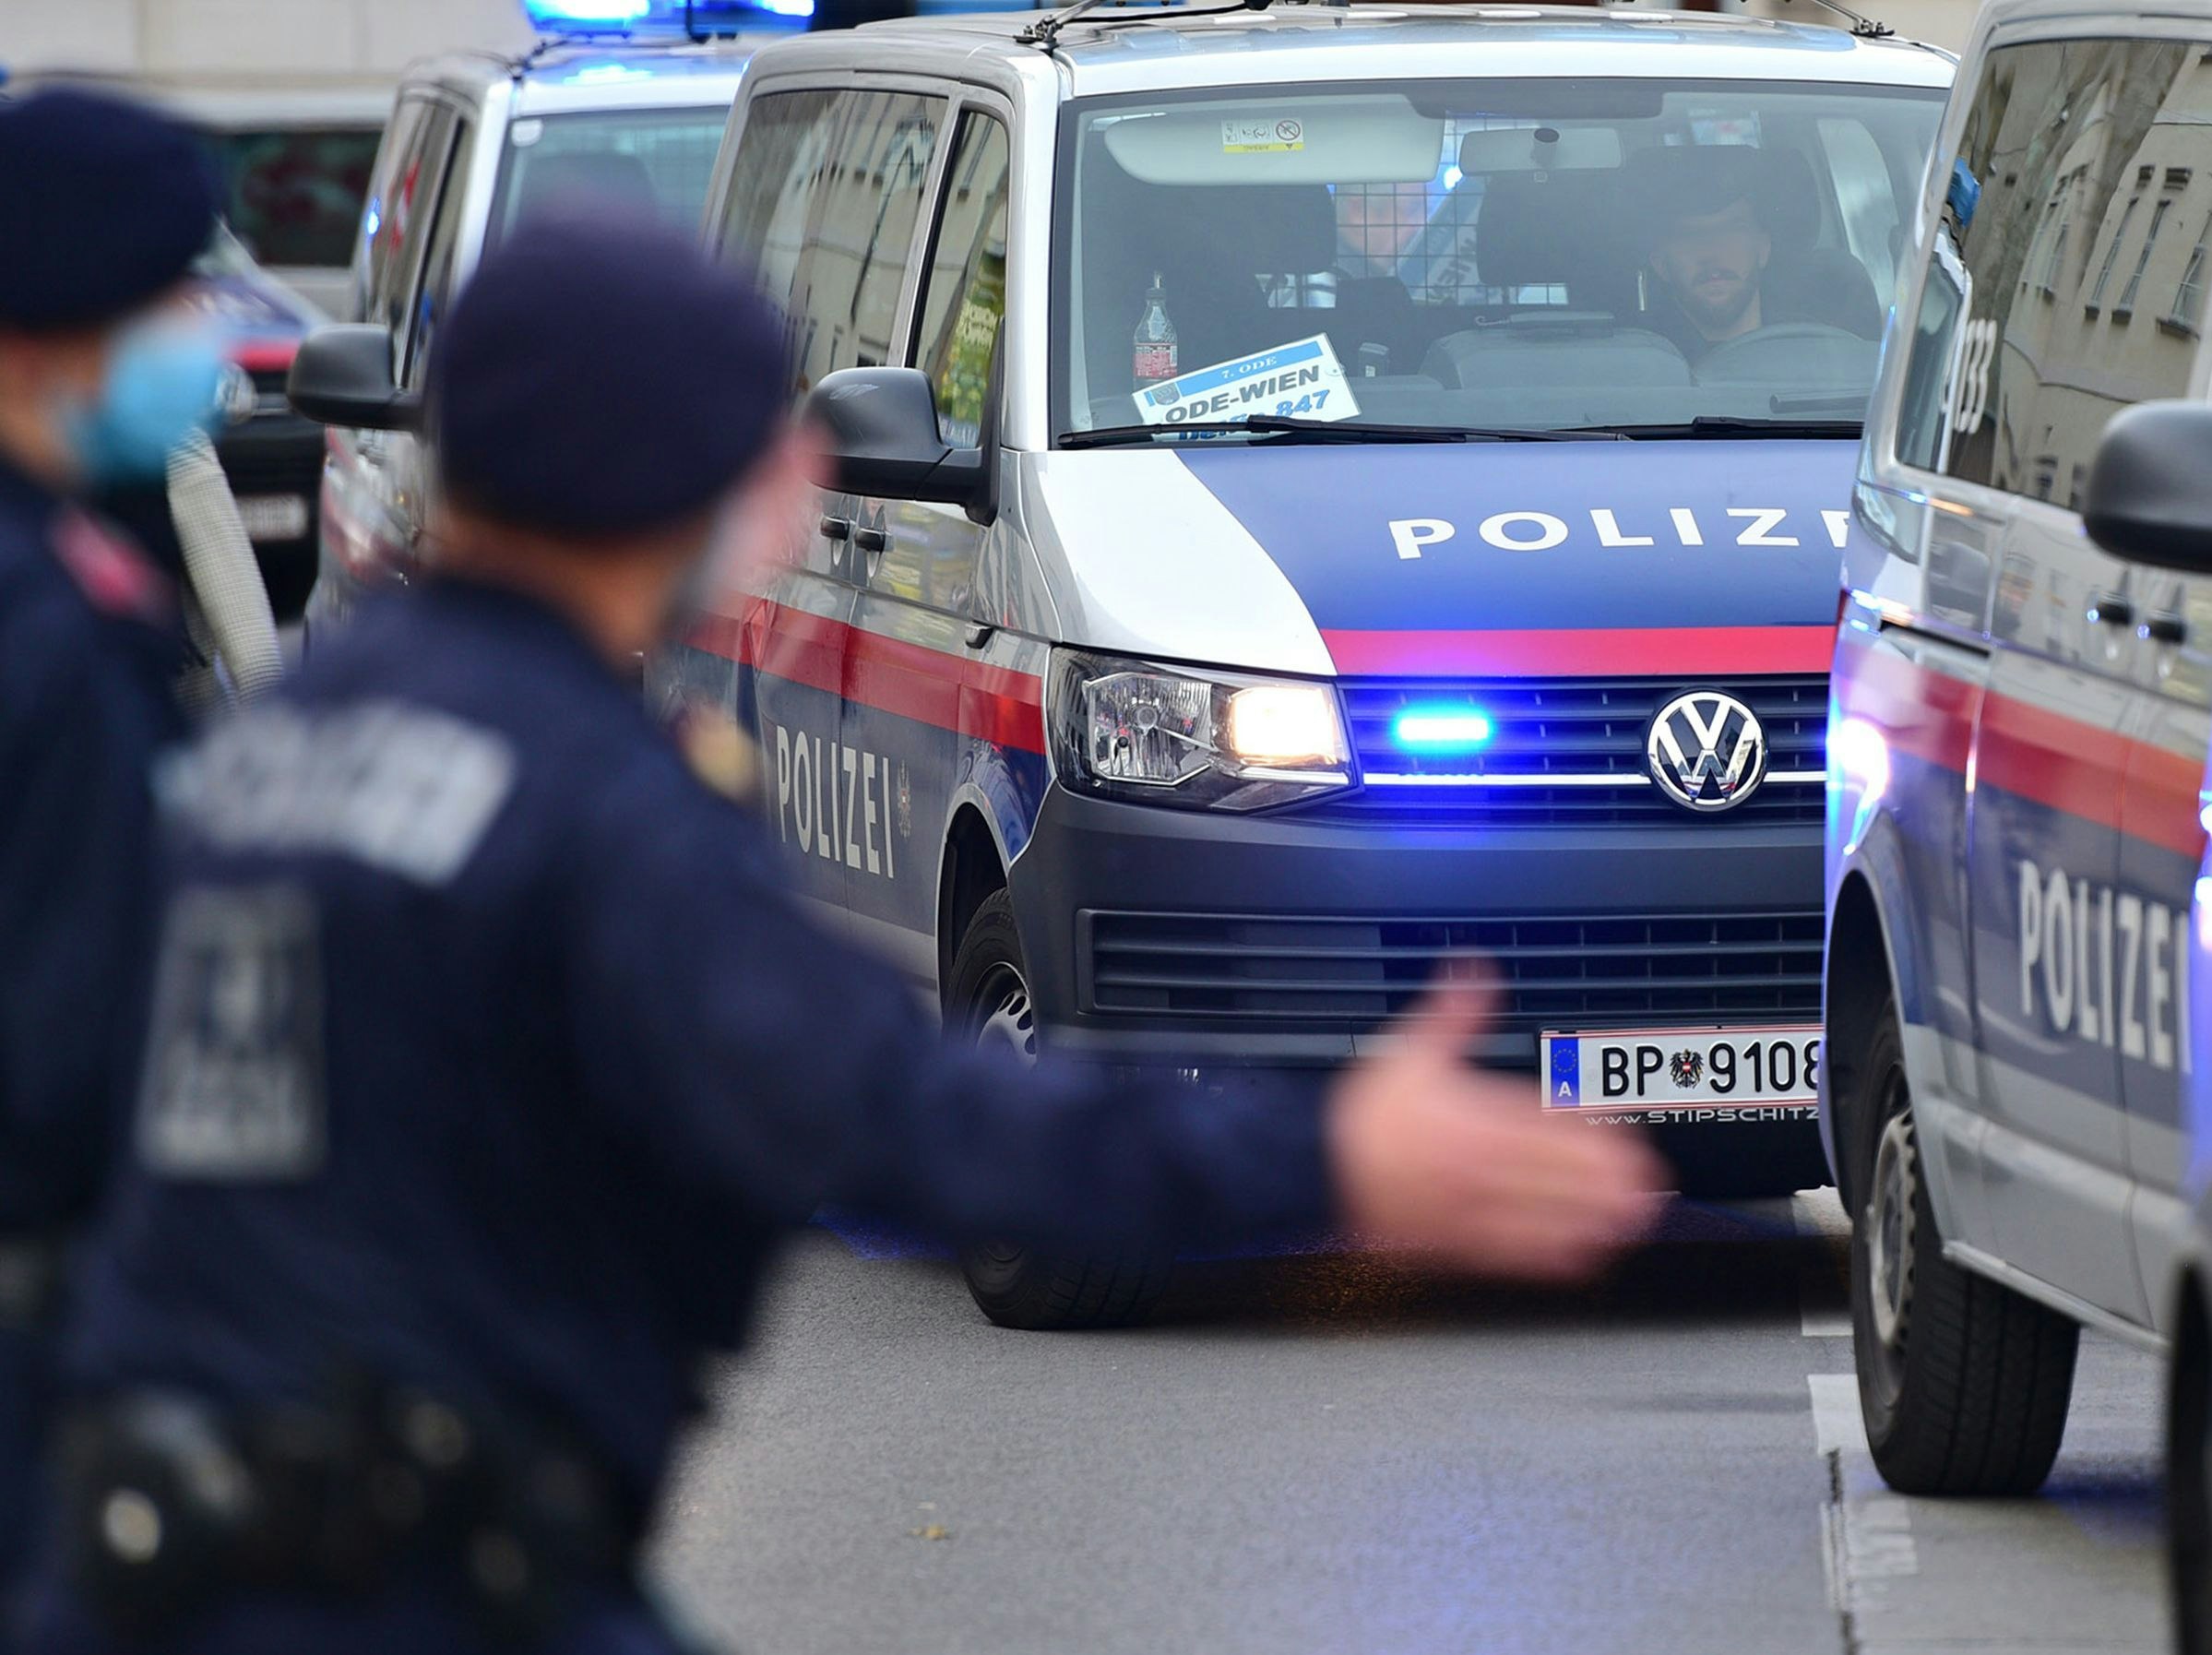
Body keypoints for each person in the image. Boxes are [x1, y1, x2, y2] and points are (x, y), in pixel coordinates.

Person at [13, 208, 1665, 1654]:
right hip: (391, 1576)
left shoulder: (293, 732)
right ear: (682, 478)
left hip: (156, 1548)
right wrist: (1327, 1158)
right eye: (768, 444)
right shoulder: (587, 806)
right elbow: (899, 1109)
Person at [0, 88, 225, 1624]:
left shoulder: (70, 559)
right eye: (165, 296)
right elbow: (74, 1042)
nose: (199, 332)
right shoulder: (42, 627)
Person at [1636, 147, 1778, 359]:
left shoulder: (1818, 351)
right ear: (1661, 264)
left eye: (1730, 232)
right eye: (1690, 236)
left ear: (1764, 248)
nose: (1712, 253)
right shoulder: (1636, 362)